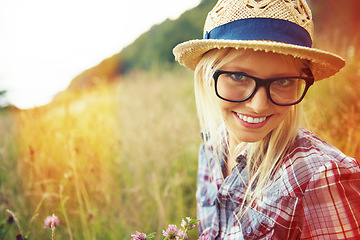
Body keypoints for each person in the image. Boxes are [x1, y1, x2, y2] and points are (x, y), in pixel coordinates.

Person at [173, 0, 360, 239]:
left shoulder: (320, 176)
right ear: (208, 76)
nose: (259, 105)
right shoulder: (210, 149)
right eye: (239, 76)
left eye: (283, 81)